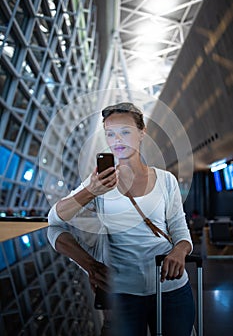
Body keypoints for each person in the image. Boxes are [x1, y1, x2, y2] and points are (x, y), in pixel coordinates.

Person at [47, 102, 195, 336]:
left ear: (141, 133)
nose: (118, 140)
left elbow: (179, 229)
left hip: (171, 290)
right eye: (110, 134)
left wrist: (179, 251)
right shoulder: (99, 181)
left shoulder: (166, 180)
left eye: (125, 132)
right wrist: (90, 265)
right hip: (122, 296)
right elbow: (55, 220)